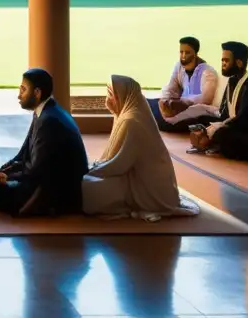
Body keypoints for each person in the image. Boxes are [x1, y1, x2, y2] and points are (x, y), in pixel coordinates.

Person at [83, 75, 200, 220]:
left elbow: (120, 164)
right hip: (133, 178)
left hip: (146, 189)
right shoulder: (126, 115)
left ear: (122, 96)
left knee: (88, 188)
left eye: (111, 95)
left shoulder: (132, 121)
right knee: (88, 180)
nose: (108, 100)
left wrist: (92, 170)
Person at [0, 68, 88, 216]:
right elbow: (23, 154)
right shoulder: (45, 111)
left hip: (56, 190)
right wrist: (0, 172)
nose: (19, 95)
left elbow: (37, 170)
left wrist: (6, 177)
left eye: (23, 90)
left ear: (37, 93)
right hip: (44, 179)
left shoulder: (49, 120)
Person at [189, 41, 248, 162]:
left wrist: (215, 131)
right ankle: (213, 143)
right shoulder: (232, 82)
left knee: (222, 134)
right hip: (241, 130)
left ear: (239, 63)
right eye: (222, 60)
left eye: (226, 61)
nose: (222, 64)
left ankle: (213, 144)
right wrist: (206, 127)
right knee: (201, 120)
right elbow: (223, 114)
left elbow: (244, 121)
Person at [147, 36, 221, 133]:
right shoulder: (179, 67)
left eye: (187, 52)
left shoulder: (208, 72)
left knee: (157, 118)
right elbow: (171, 87)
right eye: (181, 52)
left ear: (195, 53)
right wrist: (165, 101)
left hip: (195, 110)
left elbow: (205, 98)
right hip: (176, 106)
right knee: (145, 102)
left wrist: (182, 103)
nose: (183, 56)